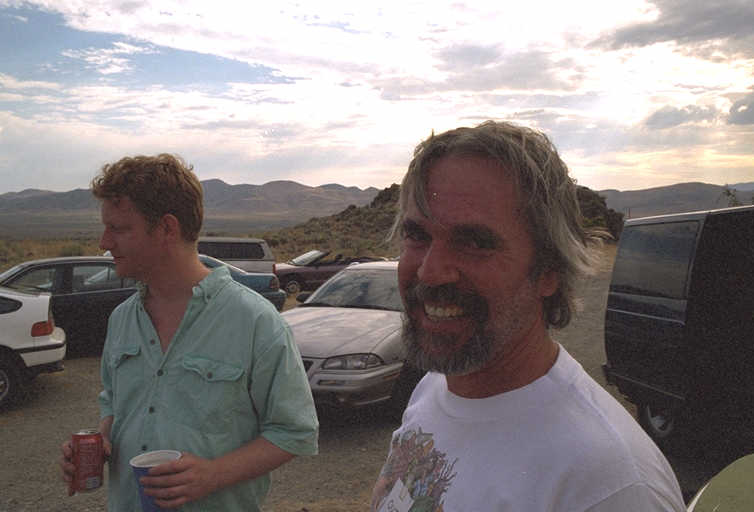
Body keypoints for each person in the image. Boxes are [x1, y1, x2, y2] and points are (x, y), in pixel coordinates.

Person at [370, 122, 686, 511]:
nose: (430, 272)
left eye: (474, 242)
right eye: (418, 236)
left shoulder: (608, 484)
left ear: (549, 271)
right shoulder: (434, 388)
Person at [59, 154, 318, 511]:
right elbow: (114, 404)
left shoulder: (255, 321)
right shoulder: (121, 319)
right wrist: (100, 441)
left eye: (118, 229)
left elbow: (294, 431)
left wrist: (214, 474)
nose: (104, 242)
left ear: (167, 229)